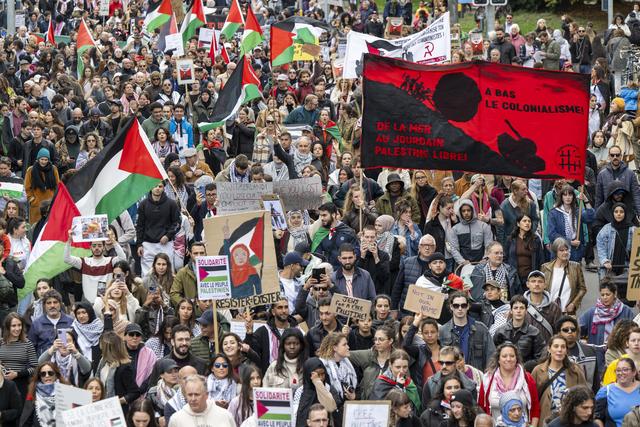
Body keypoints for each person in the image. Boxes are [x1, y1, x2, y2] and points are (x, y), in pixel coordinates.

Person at [479, 343, 541, 425]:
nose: (508, 359)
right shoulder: (488, 380)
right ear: (498, 359)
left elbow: (535, 408)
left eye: (512, 356)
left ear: (516, 359)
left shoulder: (527, 379)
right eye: (504, 356)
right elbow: (481, 408)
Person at [531, 335, 588, 424]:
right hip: (546, 420)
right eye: (556, 346)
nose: (559, 350)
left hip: (569, 421)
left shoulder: (575, 371)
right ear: (549, 349)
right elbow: (532, 400)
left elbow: (585, 396)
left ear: (566, 351)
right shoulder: (538, 371)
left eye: (563, 347)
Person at [439, 292, 495, 371]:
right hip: (452, 378)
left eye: (463, 305)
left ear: (468, 306)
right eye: (456, 306)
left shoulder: (481, 329)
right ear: (451, 307)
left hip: (477, 378)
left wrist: (488, 377)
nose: (460, 308)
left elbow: (491, 355)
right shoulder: (443, 331)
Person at [135, 182, 181, 277]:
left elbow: (177, 223)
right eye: (155, 186)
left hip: (165, 244)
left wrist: (168, 236)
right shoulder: (143, 204)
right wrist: (139, 244)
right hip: (147, 244)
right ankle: (148, 292)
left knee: (168, 273)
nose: (157, 188)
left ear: (164, 188)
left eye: (160, 186)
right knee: (147, 275)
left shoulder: (171, 204)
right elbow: (139, 226)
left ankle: (168, 292)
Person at [244, 298, 299, 374]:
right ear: (273, 312)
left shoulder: (297, 330)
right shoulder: (263, 331)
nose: (284, 311)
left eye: (286, 307)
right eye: (280, 307)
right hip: (270, 378)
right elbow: (251, 351)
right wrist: (249, 333)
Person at [493, 296, 545, 366]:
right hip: (504, 370)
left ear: (526, 311)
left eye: (522, 308)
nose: (518, 311)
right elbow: (494, 354)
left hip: (525, 372)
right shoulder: (501, 331)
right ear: (511, 311)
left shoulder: (534, 332)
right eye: (515, 308)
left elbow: (540, 357)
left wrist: (524, 367)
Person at [580, 279, 635, 346]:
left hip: (619, 352)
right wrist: (582, 339)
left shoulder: (626, 311)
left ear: (615, 294)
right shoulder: (592, 312)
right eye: (602, 295)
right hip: (597, 352)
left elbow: (635, 330)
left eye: (608, 294)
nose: (605, 297)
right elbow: (577, 327)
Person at [96, 331, 141, 412]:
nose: (100, 347)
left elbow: (135, 392)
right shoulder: (103, 362)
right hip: (101, 406)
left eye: (102, 344)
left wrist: (117, 402)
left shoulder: (124, 368)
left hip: (117, 410)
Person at [168, 374, 236, 427]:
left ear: (206, 395)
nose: (193, 399)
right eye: (190, 395)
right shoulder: (176, 420)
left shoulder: (225, 416)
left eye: (197, 394)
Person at [541, 238, 586, 315]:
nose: (565, 252)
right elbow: (541, 289)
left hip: (567, 312)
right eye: (561, 250)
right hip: (549, 313)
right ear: (556, 252)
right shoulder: (545, 268)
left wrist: (573, 304)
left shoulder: (575, 267)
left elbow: (582, 289)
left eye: (567, 250)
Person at [349, 325, 396, 399]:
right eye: (375, 339)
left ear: (390, 341)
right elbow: (347, 354)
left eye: (381, 339)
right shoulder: (368, 355)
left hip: (391, 406)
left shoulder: (398, 358)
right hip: (368, 405)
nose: (377, 342)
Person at [0, 313, 38, 399]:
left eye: (19, 325)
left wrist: (17, 374)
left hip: (20, 384)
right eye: (13, 326)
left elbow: (35, 367)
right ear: (7, 327)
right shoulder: (1, 343)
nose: (17, 328)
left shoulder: (27, 344)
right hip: (2, 383)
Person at [19, 362, 69, 427]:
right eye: (43, 374)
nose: (47, 376)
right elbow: (26, 419)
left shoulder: (66, 392)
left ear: (56, 375)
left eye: (50, 373)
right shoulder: (32, 393)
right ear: (40, 377)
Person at [595, 358, 640, 427]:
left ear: (634, 372)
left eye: (625, 370)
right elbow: (597, 418)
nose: (621, 373)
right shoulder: (606, 391)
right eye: (618, 370)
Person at [28, 289, 74, 356]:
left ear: (60, 304)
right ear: (44, 305)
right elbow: (31, 348)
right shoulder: (37, 323)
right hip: (45, 363)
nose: (52, 306)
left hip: (67, 363)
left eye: (55, 302)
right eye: (49, 303)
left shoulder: (70, 321)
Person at [294, 359, 339, 427]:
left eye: (322, 374)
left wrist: (317, 383)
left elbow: (331, 407)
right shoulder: (300, 391)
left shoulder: (329, 389)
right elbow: (296, 414)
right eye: (317, 375)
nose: (321, 378)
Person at [448, 199, 493, 266]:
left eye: (468, 210)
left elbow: (489, 245)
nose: (466, 213)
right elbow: (454, 249)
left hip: (482, 263)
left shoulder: (483, 226)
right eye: (463, 211)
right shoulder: (455, 229)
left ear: (473, 211)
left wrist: (485, 259)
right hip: (462, 265)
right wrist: (462, 261)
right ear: (460, 212)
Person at [596, 202, 635, 278]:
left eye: (621, 212)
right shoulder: (606, 229)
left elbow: (637, 247)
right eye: (616, 212)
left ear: (625, 213)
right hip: (609, 267)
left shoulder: (632, 230)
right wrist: (605, 261)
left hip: (627, 267)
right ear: (612, 213)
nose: (619, 214)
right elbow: (600, 246)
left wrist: (634, 262)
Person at [505, 213, 545, 284]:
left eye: (529, 221)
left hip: (531, 277)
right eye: (524, 221)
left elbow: (541, 259)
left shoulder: (535, 239)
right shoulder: (511, 239)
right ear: (518, 224)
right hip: (515, 277)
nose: (527, 223)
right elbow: (506, 258)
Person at [24, 147, 59, 224]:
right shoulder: (31, 170)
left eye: (46, 160)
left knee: (49, 226)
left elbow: (57, 186)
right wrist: (32, 199)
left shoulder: (53, 169)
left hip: (50, 203)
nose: (43, 161)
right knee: (35, 228)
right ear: (38, 159)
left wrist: (55, 199)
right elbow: (27, 187)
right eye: (42, 159)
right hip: (36, 204)